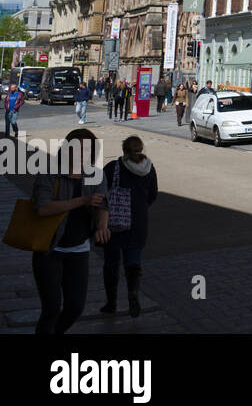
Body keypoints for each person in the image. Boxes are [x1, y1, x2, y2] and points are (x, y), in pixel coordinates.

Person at [31, 128, 109, 334]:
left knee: (75, 307)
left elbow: (103, 205)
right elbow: (42, 208)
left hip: (79, 249)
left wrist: (102, 225)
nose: (82, 153)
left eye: (87, 149)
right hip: (49, 248)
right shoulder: (50, 173)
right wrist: (81, 201)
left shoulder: (96, 175)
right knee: (51, 308)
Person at [100, 136, 158, 318]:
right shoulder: (149, 168)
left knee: (111, 263)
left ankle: (111, 302)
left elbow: (100, 192)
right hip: (138, 223)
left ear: (123, 150)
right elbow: (153, 194)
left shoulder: (113, 167)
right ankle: (133, 295)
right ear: (141, 149)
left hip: (114, 222)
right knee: (133, 262)